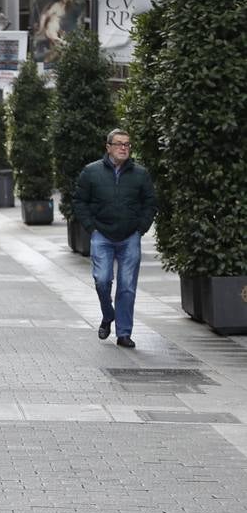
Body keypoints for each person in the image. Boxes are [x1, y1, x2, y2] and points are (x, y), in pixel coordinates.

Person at [72, 128, 157, 348]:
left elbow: (150, 203)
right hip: (102, 235)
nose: (123, 148)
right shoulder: (91, 172)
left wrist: (141, 228)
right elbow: (79, 201)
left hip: (130, 237)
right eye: (119, 144)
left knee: (127, 286)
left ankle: (124, 333)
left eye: (127, 144)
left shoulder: (140, 174)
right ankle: (108, 315)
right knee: (102, 280)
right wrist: (92, 228)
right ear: (108, 147)